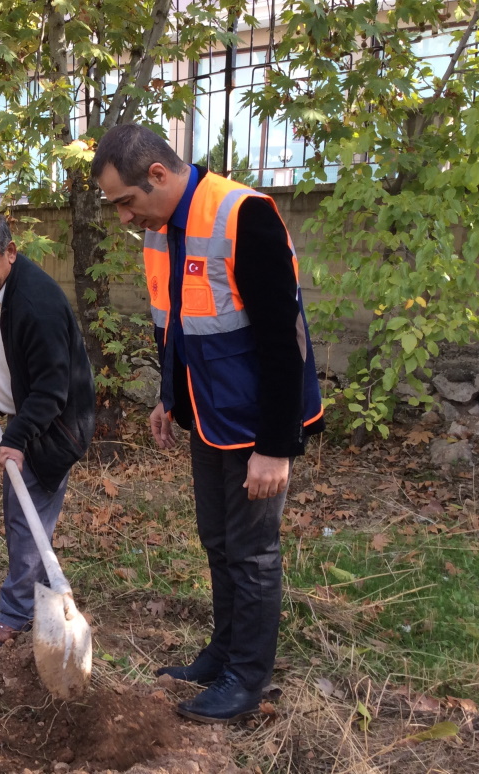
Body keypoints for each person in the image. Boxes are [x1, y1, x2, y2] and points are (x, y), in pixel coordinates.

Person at [91, 124, 324, 723]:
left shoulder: (242, 215)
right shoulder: (160, 230)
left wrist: (277, 447)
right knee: (218, 542)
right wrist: (170, 398)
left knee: (252, 552)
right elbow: (176, 326)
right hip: (208, 416)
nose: (123, 216)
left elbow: (283, 339)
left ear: (159, 176)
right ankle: (223, 653)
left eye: (126, 201)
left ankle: (248, 678)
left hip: (256, 426)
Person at [0, 209, 95, 648]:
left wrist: (16, 438)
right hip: (27, 415)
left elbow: (53, 391)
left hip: (52, 426)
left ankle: (15, 613)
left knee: (25, 519)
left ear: (10, 252)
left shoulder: (38, 305)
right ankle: (39, 597)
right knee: (24, 514)